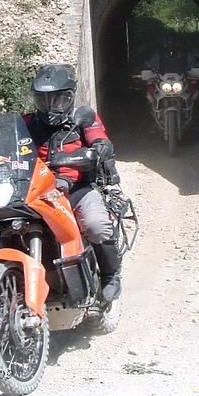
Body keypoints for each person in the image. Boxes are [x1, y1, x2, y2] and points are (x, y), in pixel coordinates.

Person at [22, 64, 122, 302]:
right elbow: (5, 149)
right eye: (42, 100)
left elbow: (101, 141)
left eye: (55, 100)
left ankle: (111, 273)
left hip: (77, 189)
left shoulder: (83, 118)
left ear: (68, 98)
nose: (48, 106)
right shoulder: (25, 122)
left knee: (96, 226)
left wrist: (98, 150)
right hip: (35, 193)